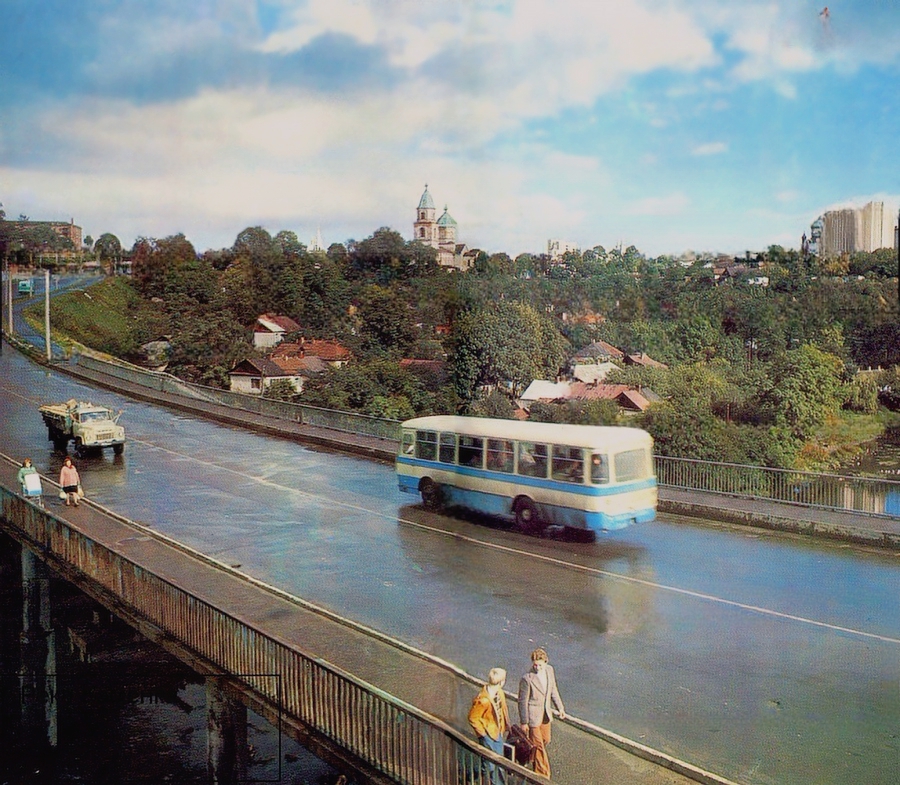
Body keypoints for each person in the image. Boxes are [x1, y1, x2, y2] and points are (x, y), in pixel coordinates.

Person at [517, 647, 566, 778]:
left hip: (545, 714)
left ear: (545, 662)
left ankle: (532, 758)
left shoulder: (550, 670)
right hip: (532, 717)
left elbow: (553, 690)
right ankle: (543, 776)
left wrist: (560, 708)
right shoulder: (527, 679)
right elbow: (522, 701)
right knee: (538, 746)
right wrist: (524, 722)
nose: (537, 668)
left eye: (540, 665)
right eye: (535, 665)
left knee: (546, 740)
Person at [468, 667, 510, 784]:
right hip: (488, 735)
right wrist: (483, 734)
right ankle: (476, 779)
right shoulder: (483, 700)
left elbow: (502, 710)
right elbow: (472, 718)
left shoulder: (499, 693)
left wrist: (505, 726)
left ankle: (496, 783)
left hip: (497, 732)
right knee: (490, 765)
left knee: (498, 762)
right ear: (501, 682)